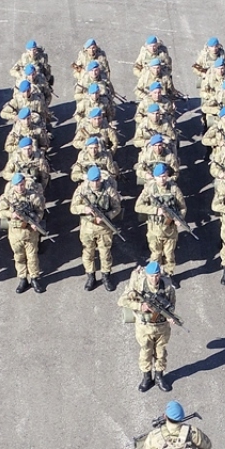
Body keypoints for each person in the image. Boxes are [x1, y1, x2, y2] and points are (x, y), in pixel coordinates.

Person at [119, 261, 177, 392]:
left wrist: (170, 316)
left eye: (157, 275)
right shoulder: (139, 285)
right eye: (151, 276)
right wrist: (140, 306)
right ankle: (146, 377)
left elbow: (172, 303)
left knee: (161, 353)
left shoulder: (167, 285)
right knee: (146, 352)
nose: (154, 278)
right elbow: (122, 301)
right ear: (146, 275)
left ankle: (159, 377)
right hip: (145, 327)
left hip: (162, 327)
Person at [70, 165, 123, 291]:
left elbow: (117, 208)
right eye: (92, 181)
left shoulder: (109, 190)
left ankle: (106, 276)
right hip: (87, 228)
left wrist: (107, 216)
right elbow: (73, 208)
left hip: (104, 228)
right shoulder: (82, 190)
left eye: (97, 180)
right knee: (88, 253)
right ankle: (91, 276)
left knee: (105, 253)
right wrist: (85, 209)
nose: (95, 183)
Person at [134, 164, 188, 282]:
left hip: (170, 230)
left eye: (164, 176)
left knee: (169, 255)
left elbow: (183, 207)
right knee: (155, 255)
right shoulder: (149, 189)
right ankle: (154, 277)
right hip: (155, 230)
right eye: (159, 177)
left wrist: (179, 218)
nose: (162, 179)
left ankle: (168, 276)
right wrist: (155, 210)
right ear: (154, 177)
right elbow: (138, 207)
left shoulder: (174, 189)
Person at [0, 172, 47, 293]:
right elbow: (0, 212)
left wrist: (36, 221)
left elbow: (40, 211)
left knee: (32, 257)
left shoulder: (33, 196)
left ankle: (34, 278)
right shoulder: (6, 197)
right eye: (18, 185)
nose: (20, 187)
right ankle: (22, 278)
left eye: (22, 184)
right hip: (15, 233)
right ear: (13, 185)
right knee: (19, 257)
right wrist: (11, 214)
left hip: (30, 233)